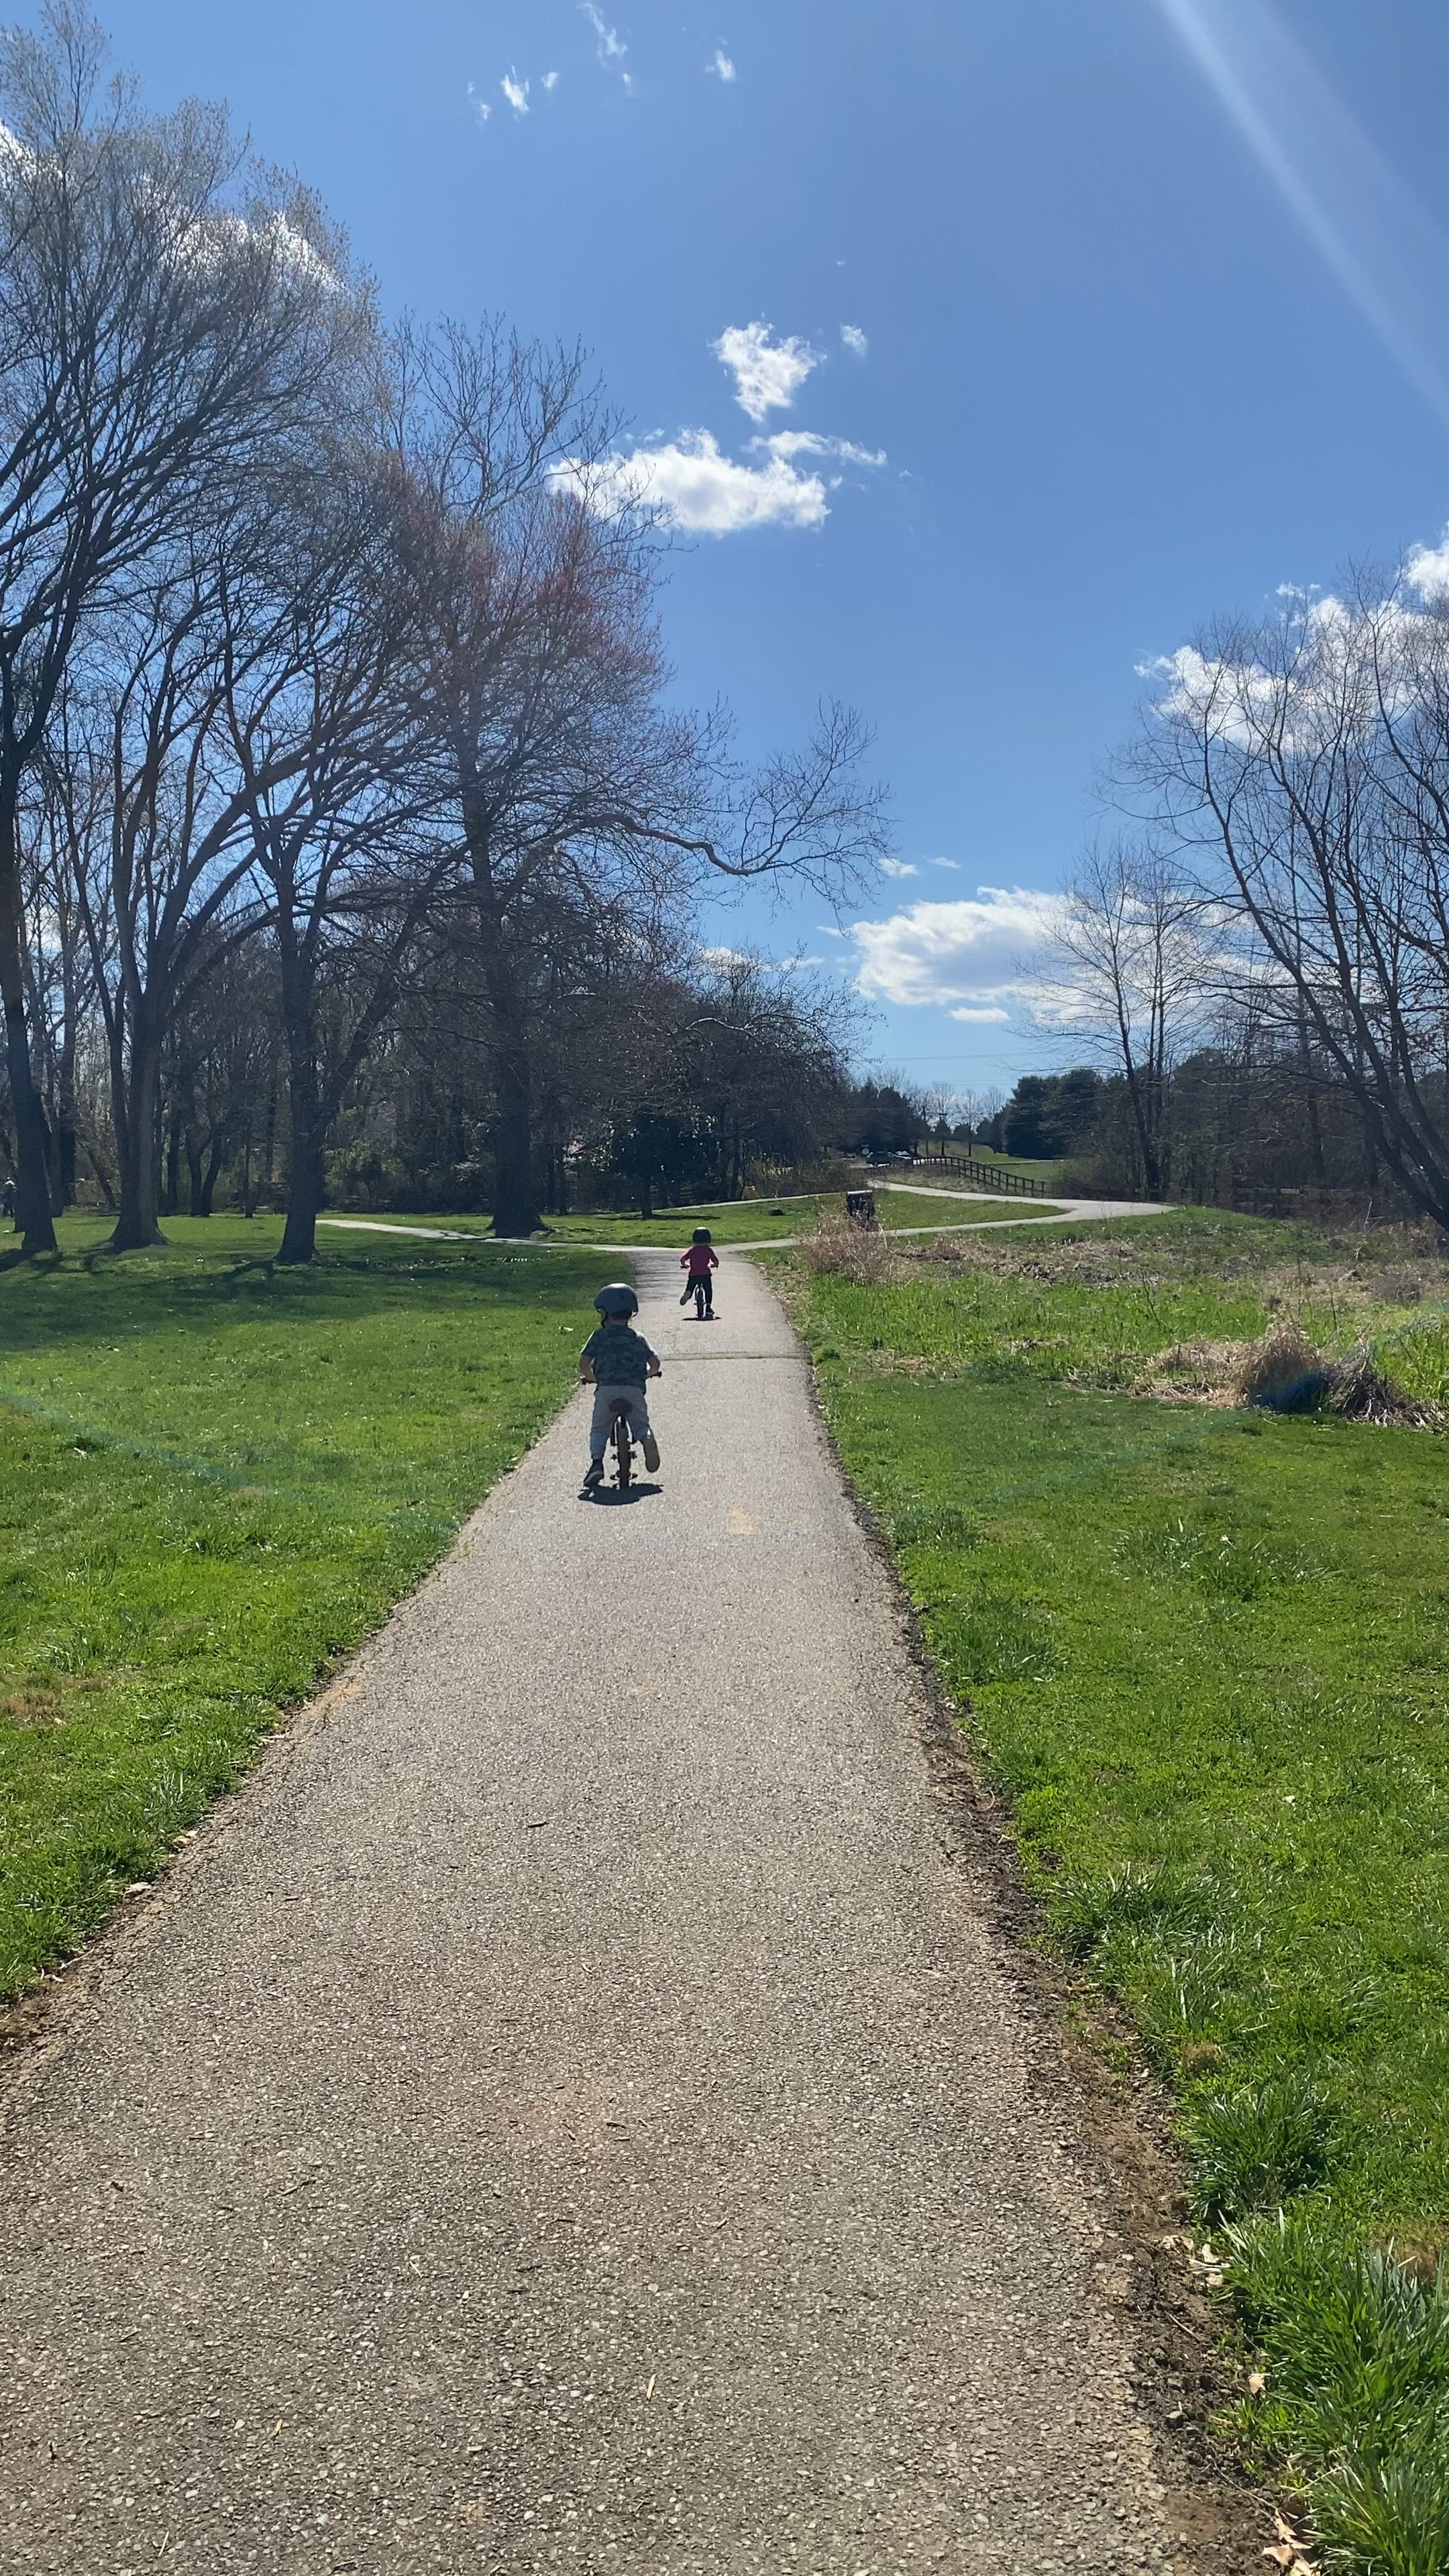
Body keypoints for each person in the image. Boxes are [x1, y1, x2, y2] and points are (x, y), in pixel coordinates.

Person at [580, 1283, 661, 1488]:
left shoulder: (599, 1336)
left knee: (599, 1428)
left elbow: (584, 1362)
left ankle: (597, 1464)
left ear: (605, 1313)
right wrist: (649, 1374)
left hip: (606, 1390)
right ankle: (646, 1438)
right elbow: (655, 1362)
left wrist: (592, 1377)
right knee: (641, 1424)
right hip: (634, 1389)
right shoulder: (637, 1338)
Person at [678, 1226, 719, 1317]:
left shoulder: (693, 1250)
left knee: (691, 1286)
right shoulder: (708, 1250)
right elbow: (716, 1261)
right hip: (705, 1274)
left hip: (694, 1274)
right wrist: (714, 1265)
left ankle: (688, 1293)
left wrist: (685, 1265)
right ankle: (708, 1308)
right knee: (708, 1290)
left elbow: (683, 1259)